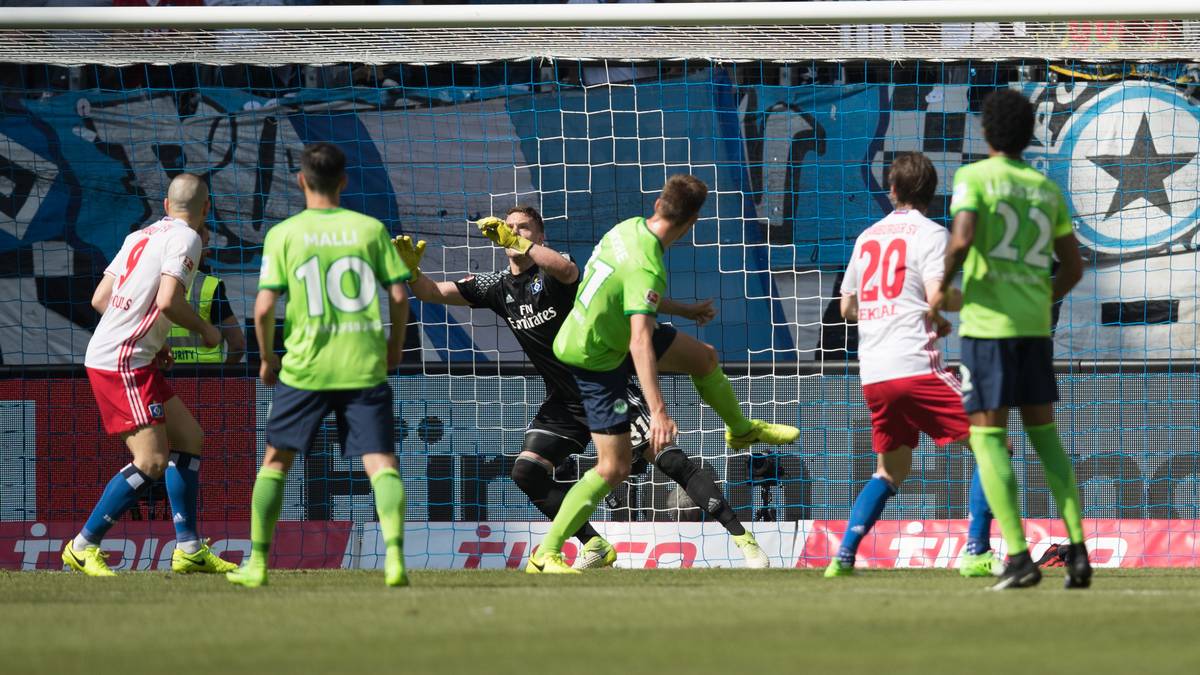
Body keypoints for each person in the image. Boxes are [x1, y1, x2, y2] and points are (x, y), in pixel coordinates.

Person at [394, 205, 770, 569]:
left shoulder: (553, 270)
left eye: (524, 227)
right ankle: (594, 544)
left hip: (604, 384)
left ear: (540, 237)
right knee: (526, 472)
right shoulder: (496, 286)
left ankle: (745, 541)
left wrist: (521, 243)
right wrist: (411, 273)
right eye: (509, 226)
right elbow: (431, 292)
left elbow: (568, 270)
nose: (513, 232)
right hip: (564, 401)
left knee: (669, 460)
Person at [525, 174, 800, 574]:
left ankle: (741, 430)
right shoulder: (649, 265)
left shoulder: (626, 230)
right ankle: (545, 554)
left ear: (658, 204)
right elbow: (640, 341)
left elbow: (631, 293)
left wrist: (685, 310)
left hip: (610, 330)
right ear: (692, 223)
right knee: (613, 468)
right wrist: (658, 412)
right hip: (594, 355)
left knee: (704, 358)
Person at [226, 142, 412, 588]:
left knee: (275, 462)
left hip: (305, 367)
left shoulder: (284, 234)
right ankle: (394, 558)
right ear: (343, 181)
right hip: (362, 363)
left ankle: (258, 564)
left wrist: (267, 359)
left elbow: (263, 307)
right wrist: (393, 348)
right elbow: (399, 295)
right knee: (381, 463)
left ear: (301, 180)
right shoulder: (369, 230)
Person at [929, 89, 1091, 590]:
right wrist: (1041, 300)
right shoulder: (1046, 188)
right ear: (1029, 133)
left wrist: (936, 296)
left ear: (985, 132)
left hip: (989, 329)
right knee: (1046, 438)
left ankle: (1019, 557)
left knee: (988, 439)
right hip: (1034, 330)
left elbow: (961, 239)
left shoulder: (974, 177)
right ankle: (1078, 549)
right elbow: (1074, 267)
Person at [824, 152, 1001, 579]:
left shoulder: (867, 236)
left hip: (874, 372)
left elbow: (847, 307)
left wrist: (896, 307)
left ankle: (843, 556)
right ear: (933, 193)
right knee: (993, 445)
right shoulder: (932, 234)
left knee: (890, 470)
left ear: (892, 190)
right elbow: (940, 295)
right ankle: (977, 551)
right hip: (915, 366)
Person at [66, 173, 237, 577]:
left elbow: (101, 299)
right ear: (206, 208)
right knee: (152, 460)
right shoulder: (188, 238)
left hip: (133, 354)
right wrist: (207, 330)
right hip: (121, 360)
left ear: (165, 205)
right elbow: (168, 301)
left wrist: (153, 341)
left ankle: (189, 549)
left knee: (189, 438)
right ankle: (82, 545)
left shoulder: (138, 236)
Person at [166, 252, 247, 364]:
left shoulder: (153, 285)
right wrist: (225, 372)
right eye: (205, 244)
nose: (209, 251)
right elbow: (238, 344)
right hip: (207, 371)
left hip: (164, 369)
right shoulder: (209, 286)